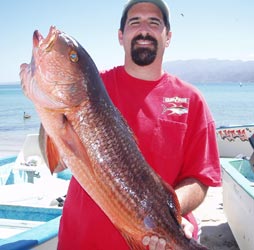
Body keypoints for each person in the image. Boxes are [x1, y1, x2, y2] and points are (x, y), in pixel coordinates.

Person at [57, 0, 221, 249]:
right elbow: (57, 160)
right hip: (81, 241)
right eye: (135, 22)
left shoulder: (192, 101)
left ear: (168, 37)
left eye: (154, 23)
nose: (144, 29)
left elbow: (200, 178)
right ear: (121, 36)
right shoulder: (89, 89)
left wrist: (168, 215)